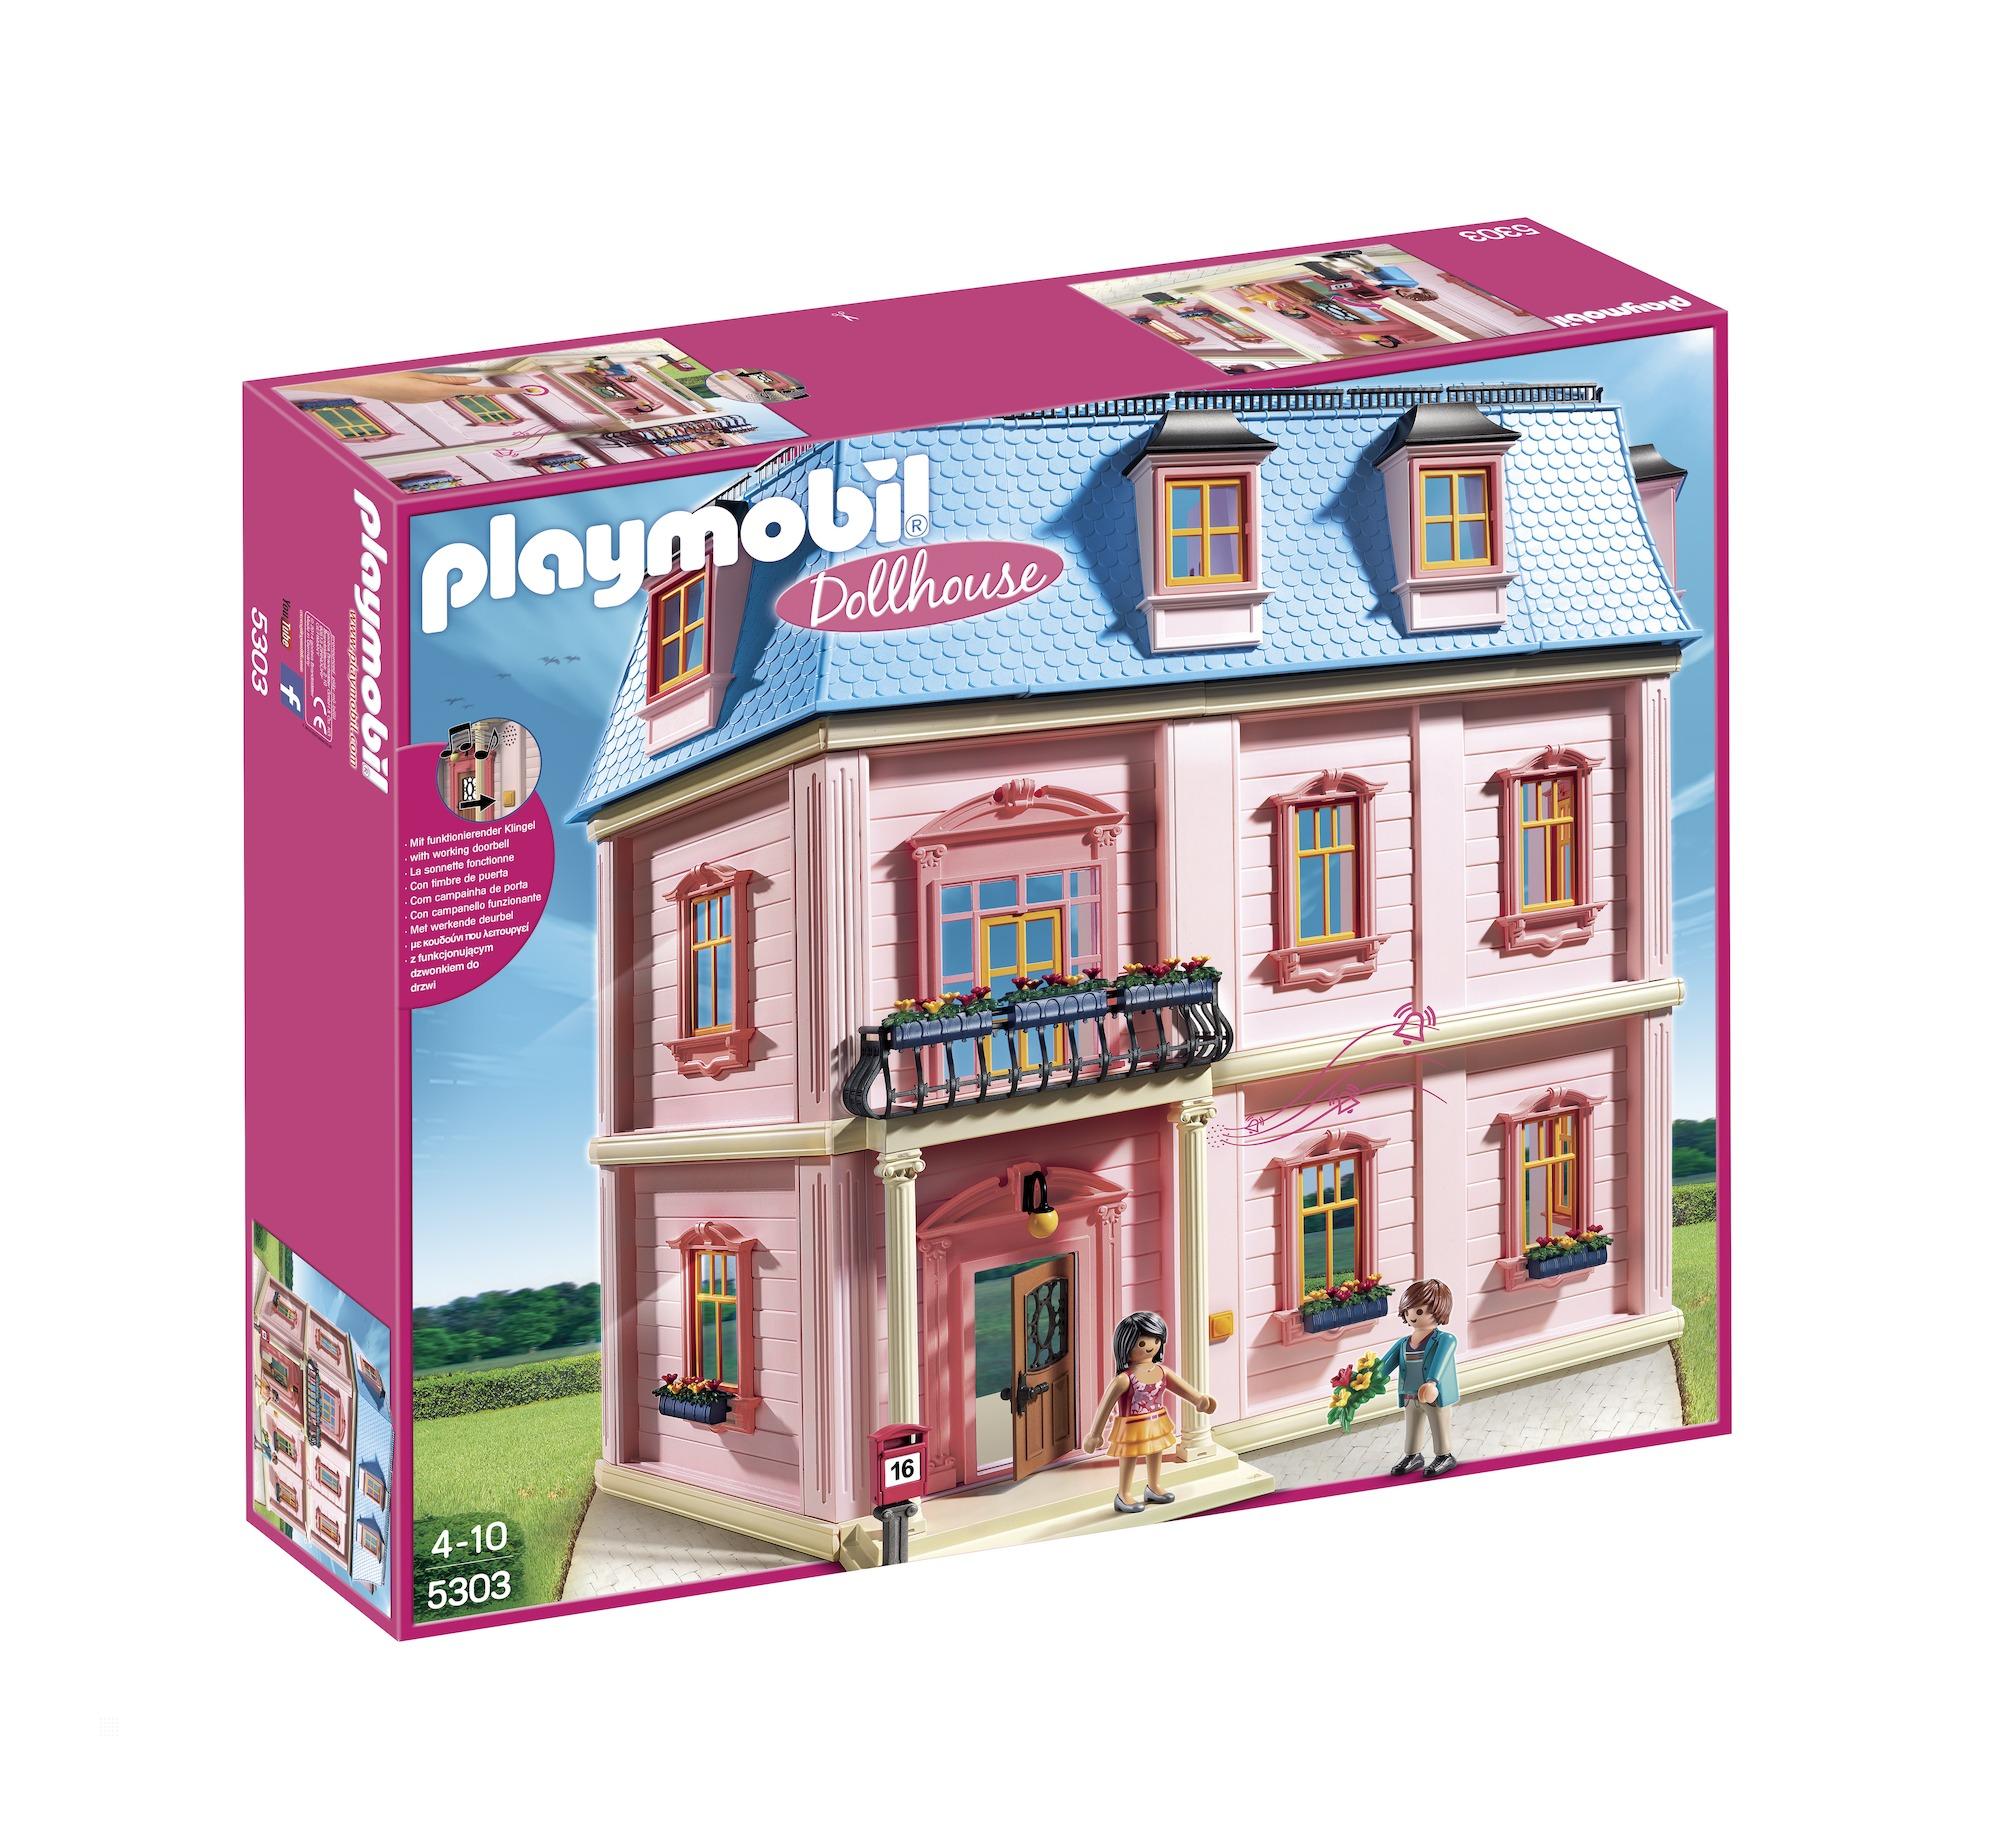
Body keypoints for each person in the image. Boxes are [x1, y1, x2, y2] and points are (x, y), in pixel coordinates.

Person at [1085, 1310, 1217, 1514]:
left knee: (1156, 1451)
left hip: (1156, 1421)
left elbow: (1181, 1388)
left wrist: (1199, 1399)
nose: (1150, 1346)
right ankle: (1123, 1494)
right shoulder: (1124, 1379)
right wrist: (1095, 1434)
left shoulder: (1162, 1372)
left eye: (1156, 1340)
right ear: (1125, 1345)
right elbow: (1106, 1405)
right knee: (1129, 1455)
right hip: (1131, 1425)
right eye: (1141, 1343)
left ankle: (1154, 1486)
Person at [1378, 1279, 1460, 1477]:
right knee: (1412, 1427)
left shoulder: (1445, 1340)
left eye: (1419, 1311)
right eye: (1408, 1311)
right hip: (1410, 1394)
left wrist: (1432, 1382)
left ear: (1439, 1309)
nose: (1412, 1316)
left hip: (1433, 1395)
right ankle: (1412, 1455)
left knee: (1439, 1425)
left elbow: (1440, 1362)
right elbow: (1385, 1365)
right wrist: (1369, 1378)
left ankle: (1444, 1455)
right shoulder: (1403, 1343)